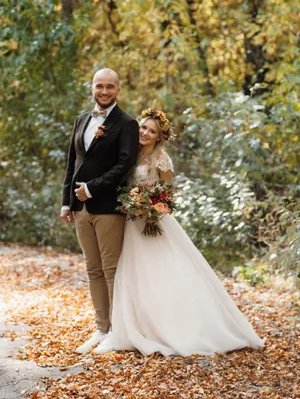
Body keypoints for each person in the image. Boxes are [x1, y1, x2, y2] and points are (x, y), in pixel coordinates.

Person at [96, 108, 264, 356]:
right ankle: (137, 326)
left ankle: (175, 327)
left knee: (163, 272)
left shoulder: (162, 161)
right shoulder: (130, 153)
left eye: (152, 131)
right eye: (143, 127)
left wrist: (150, 208)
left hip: (152, 222)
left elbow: (167, 195)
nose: (145, 132)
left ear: (159, 136)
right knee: (135, 273)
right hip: (131, 223)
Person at [60, 68, 139, 354]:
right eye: (99, 86)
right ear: (92, 88)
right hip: (80, 208)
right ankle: (101, 328)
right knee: (92, 269)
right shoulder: (81, 120)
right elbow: (73, 162)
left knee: (111, 270)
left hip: (108, 207)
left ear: (118, 90)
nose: (104, 91)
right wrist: (67, 201)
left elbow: (125, 164)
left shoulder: (127, 123)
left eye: (109, 87)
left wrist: (92, 188)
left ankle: (119, 331)